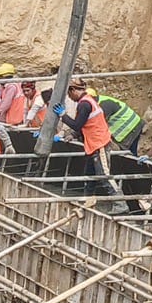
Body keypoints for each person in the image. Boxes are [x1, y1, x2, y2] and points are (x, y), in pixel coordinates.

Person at [59, 78, 122, 208]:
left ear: (73, 90)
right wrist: (73, 134)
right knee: (89, 175)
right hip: (93, 144)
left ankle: (120, 203)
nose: (69, 97)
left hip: (99, 144)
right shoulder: (88, 101)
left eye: (69, 94)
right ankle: (88, 200)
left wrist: (63, 115)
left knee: (104, 176)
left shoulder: (84, 104)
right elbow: (85, 125)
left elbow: (77, 125)